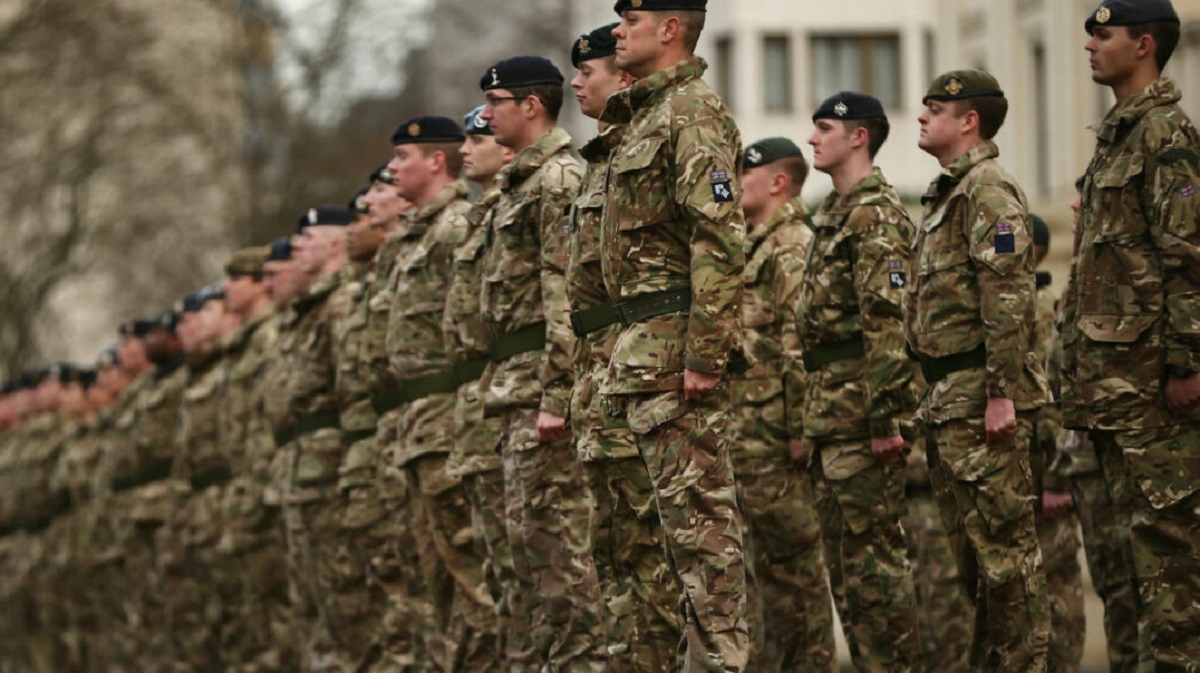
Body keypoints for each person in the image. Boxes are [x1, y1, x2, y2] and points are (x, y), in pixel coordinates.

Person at [600, 1, 750, 670]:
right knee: (669, 548)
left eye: (631, 20)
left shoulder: (692, 113)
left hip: (676, 360)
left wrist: (706, 355)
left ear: (669, 30)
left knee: (704, 546)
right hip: (643, 356)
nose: (617, 30)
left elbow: (718, 235)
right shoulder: (648, 115)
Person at [1061, 1, 1200, 668]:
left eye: (1104, 34)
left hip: (1153, 395)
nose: (1091, 44)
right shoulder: (1119, 135)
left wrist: (1187, 362)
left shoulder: (1165, 134)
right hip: (1115, 394)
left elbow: (1187, 254)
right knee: (1132, 578)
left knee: (1171, 576)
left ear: (1144, 45)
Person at [908, 69, 1051, 672]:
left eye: (935, 109)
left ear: (969, 121)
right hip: (950, 399)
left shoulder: (987, 189)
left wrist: (1002, 393)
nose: (921, 116)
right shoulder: (949, 193)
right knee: (977, 571)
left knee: (1007, 566)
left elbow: (1008, 294)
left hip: (980, 401)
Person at [477, 54, 604, 673]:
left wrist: (557, 396)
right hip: (516, 390)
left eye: (495, 103)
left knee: (563, 565)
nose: (485, 115)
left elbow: (564, 296)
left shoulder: (557, 179)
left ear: (530, 105)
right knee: (528, 559)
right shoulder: (519, 184)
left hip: (541, 396)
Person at [566, 23, 684, 673]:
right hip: (601, 378)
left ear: (624, 78)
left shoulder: (650, 142)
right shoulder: (600, 160)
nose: (576, 83)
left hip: (640, 369)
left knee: (648, 552)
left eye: (588, 72)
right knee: (610, 551)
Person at [798, 91, 923, 672]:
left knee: (875, 570)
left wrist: (885, 418)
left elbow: (887, 323)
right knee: (847, 575)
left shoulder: (875, 215)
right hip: (831, 415)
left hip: (862, 418)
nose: (812, 138)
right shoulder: (834, 213)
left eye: (824, 127)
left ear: (858, 137)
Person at [383, 116, 499, 673]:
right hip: (421, 424)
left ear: (434, 162)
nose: (391, 169)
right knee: (438, 586)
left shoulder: (455, 227)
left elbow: (473, 328)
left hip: (450, 421)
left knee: (473, 578)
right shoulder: (420, 234)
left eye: (401, 157)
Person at [729, 136, 836, 673]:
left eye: (744, 173)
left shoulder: (791, 244)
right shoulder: (756, 244)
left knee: (796, 576)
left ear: (777, 182)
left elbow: (800, 345)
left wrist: (799, 430)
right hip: (752, 436)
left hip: (777, 440)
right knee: (765, 576)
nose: (734, 183)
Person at [1046, 177, 1139, 673]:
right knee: (1112, 589)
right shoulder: (1081, 273)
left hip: (1120, 453)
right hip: (1084, 459)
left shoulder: (1125, 267)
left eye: (1084, 196)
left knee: (1133, 590)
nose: (1073, 203)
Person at [445, 105, 514, 672]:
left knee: (519, 574)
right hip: (480, 403)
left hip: (513, 398)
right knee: (492, 573)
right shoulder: (479, 216)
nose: (464, 151)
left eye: (477, 139)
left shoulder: (533, 197)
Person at [1025, 214, 1086, 673]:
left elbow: (1055, 400)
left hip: (1047, 472)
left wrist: (1057, 479)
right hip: (1023, 473)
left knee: (1059, 585)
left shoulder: (1045, 308)